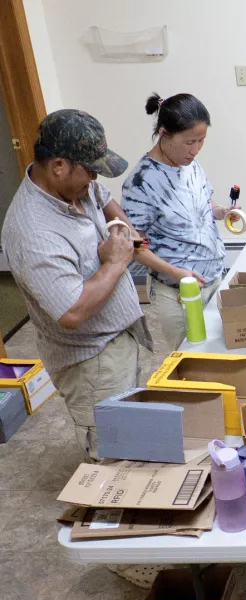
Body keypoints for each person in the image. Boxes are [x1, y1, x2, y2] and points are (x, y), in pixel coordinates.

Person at [1, 109, 152, 460]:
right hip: (90, 361)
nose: (95, 178)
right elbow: (71, 311)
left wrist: (123, 229)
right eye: (90, 170)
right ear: (58, 166)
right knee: (114, 455)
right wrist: (115, 262)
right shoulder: (33, 231)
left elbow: (103, 197)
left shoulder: (77, 186)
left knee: (134, 434)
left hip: (117, 339)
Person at [121, 93, 232, 348]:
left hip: (214, 277)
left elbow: (202, 202)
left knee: (220, 351)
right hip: (179, 292)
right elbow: (134, 246)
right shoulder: (141, 181)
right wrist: (176, 273)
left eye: (201, 141)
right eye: (189, 142)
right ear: (164, 134)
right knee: (192, 359)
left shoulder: (190, 163)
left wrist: (221, 211)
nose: (195, 149)